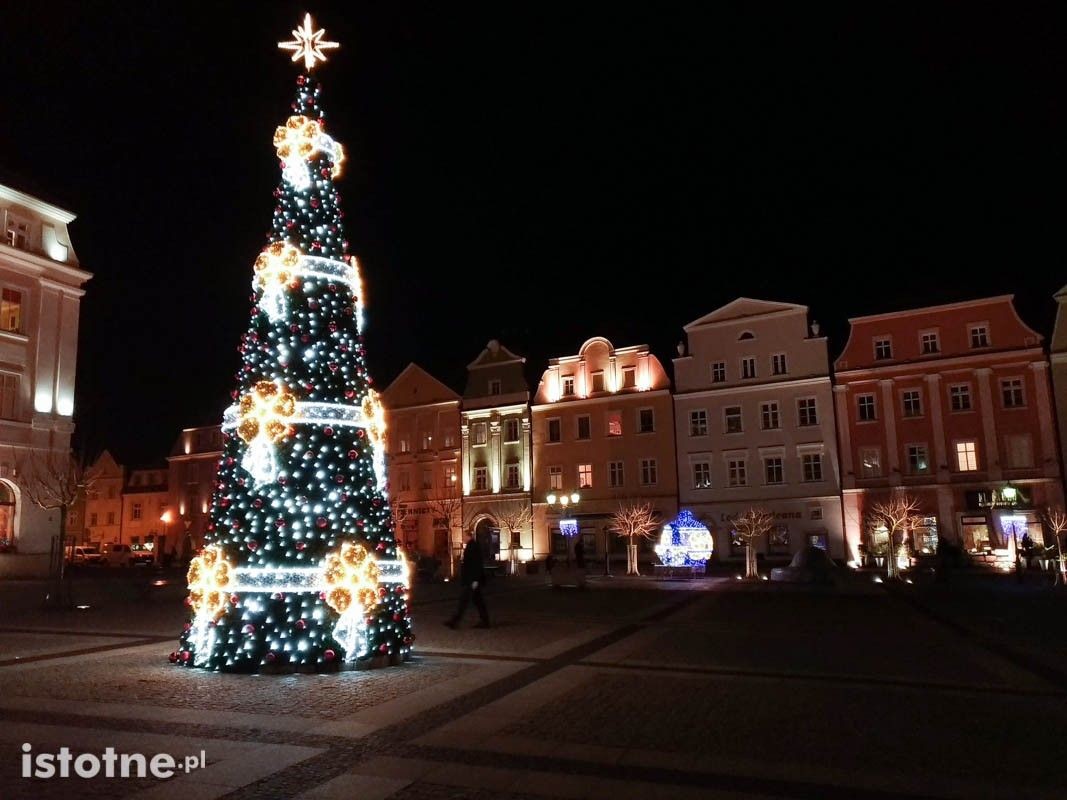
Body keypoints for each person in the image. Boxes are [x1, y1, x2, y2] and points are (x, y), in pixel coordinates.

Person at [445, 531, 490, 629]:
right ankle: (485, 621)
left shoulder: (473, 546)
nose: (463, 538)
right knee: (477, 601)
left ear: (469, 536)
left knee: (464, 600)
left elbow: (476, 564)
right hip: (471, 579)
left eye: (464, 536)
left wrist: (475, 580)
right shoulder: (471, 545)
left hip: (472, 580)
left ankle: (455, 621)